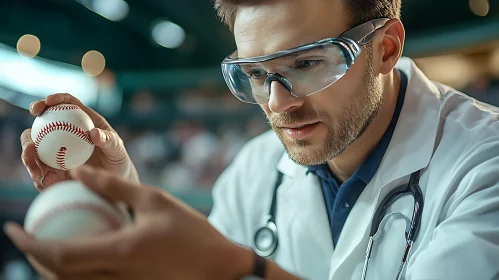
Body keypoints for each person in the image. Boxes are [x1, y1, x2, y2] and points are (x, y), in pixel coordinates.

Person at [5, 0, 499, 279]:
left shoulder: (485, 162)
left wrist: (237, 270)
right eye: (257, 74)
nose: (278, 103)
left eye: (307, 64)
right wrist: (122, 208)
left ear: (386, 48)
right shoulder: (254, 170)